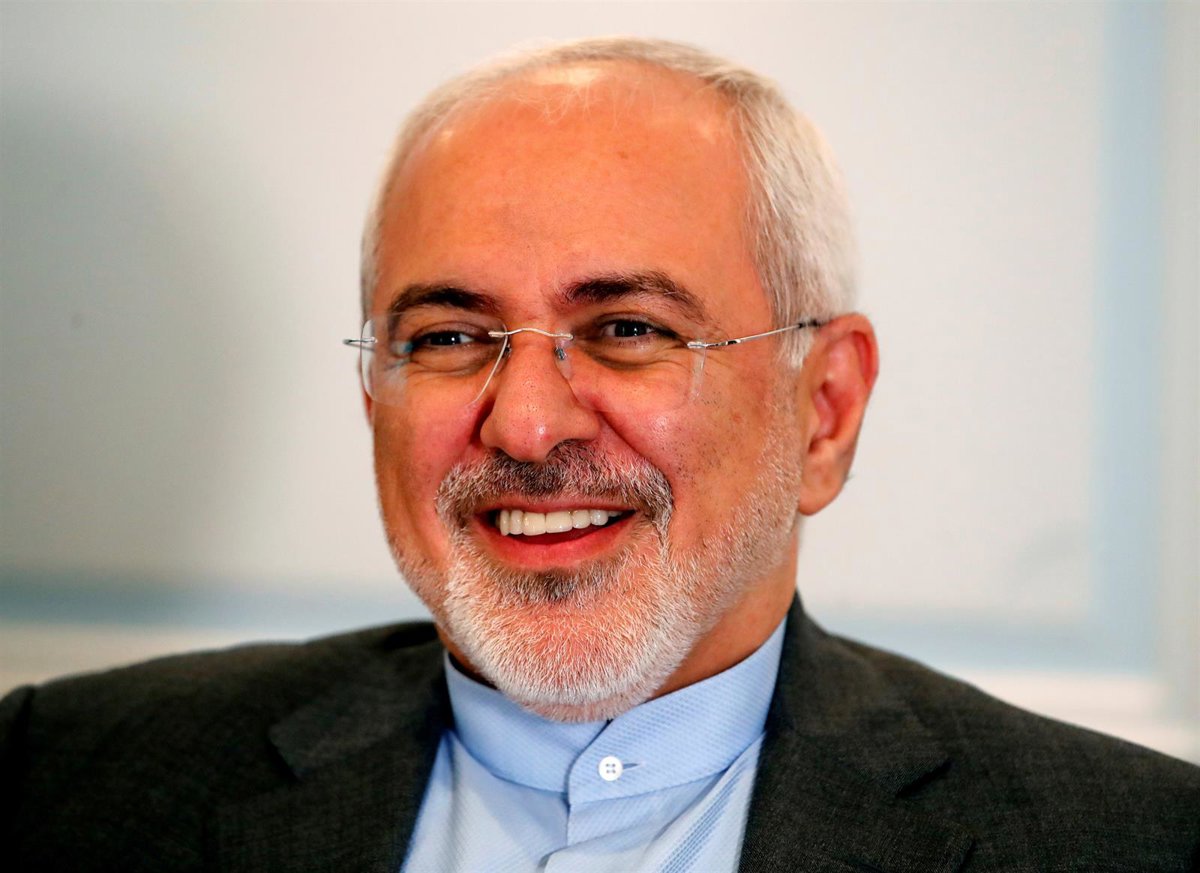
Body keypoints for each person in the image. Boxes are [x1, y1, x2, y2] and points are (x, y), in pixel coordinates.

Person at [2, 37, 1197, 873]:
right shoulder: (65, 785)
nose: (526, 425)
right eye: (450, 336)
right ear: (374, 393)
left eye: (628, 330)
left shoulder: (1129, 844)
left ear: (824, 411)